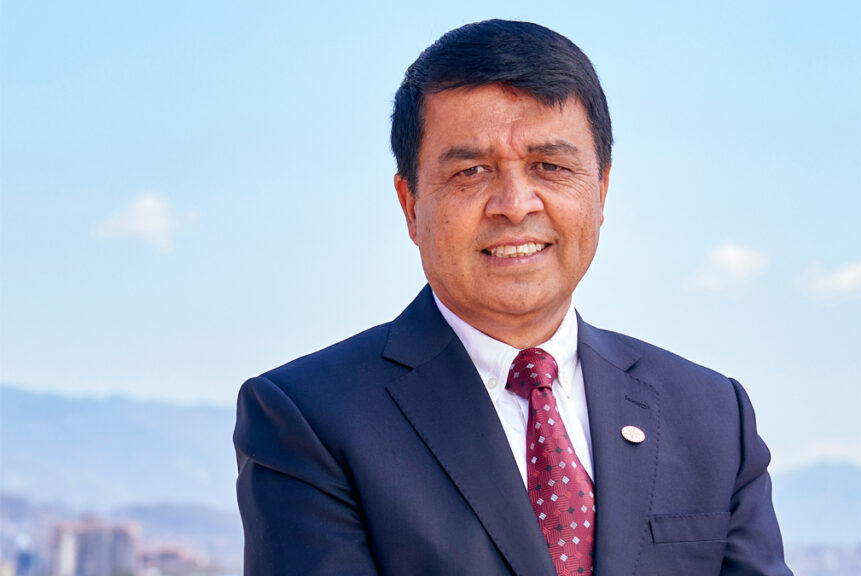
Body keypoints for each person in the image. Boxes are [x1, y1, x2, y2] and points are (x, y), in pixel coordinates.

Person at [234, 19, 792, 576]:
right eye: (472, 171)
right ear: (410, 204)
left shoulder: (712, 415)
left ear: (600, 190)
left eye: (550, 166)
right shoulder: (308, 418)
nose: (516, 203)